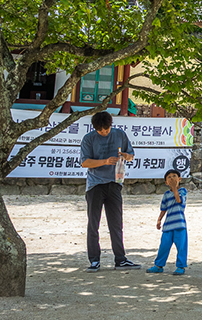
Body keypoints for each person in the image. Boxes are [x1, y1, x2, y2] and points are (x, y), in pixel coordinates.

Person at [80, 111, 140, 271]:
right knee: (93, 224)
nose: (104, 132)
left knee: (116, 224)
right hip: (95, 185)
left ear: (110, 125)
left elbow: (131, 155)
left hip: (115, 183)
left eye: (106, 129)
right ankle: (94, 260)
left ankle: (120, 259)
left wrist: (126, 157)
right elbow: (85, 162)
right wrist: (105, 161)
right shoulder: (88, 139)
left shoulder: (120, 134)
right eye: (101, 130)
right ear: (95, 128)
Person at [146, 169, 188, 275]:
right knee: (164, 246)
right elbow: (163, 208)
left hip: (180, 225)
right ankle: (159, 265)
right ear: (166, 182)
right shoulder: (166, 194)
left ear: (179, 179)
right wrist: (159, 219)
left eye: (174, 176)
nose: (172, 178)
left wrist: (174, 188)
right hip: (168, 225)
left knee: (181, 247)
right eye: (169, 177)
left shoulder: (183, 191)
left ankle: (181, 266)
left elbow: (179, 201)